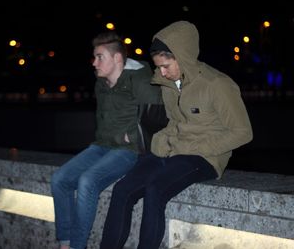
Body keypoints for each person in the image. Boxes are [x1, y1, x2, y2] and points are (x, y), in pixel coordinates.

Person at [100, 20, 253, 249]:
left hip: (205, 157)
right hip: (174, 150)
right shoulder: (168, 83)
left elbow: (243, 132)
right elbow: (174, 122)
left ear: (182, 57)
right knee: (123, 189)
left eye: (166, 66)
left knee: (155, 189)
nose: (162, 73)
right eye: (158, 66)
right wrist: (161, 141)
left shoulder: (217, 84)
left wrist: (192, 147)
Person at [51, 31, 165, 249]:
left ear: (117, 58)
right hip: (102, 145)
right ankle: (65, 242)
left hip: (129, 150)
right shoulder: (101, 84)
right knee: (60, 180)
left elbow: (157, 119)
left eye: (99, 57)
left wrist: (130, 135)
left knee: (87, 181)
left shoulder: (141, 80)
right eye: (94, 57)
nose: (94, 62)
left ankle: (77, 245)